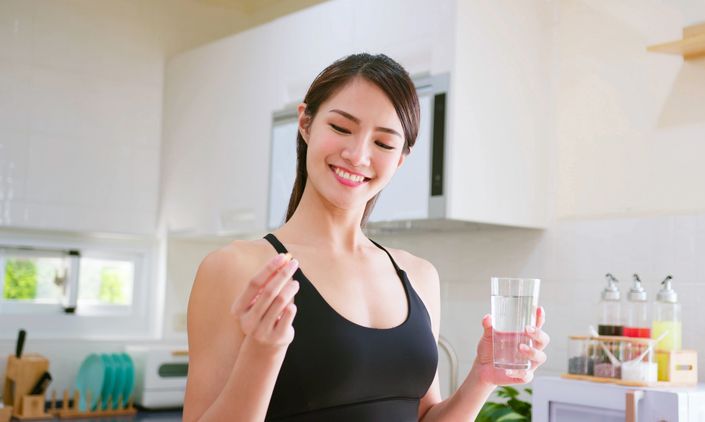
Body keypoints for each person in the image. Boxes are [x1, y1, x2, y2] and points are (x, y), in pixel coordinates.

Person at [183, 53, 549, 422]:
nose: (357, 155)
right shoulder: (237, 268)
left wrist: (483, 377)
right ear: (306, 123)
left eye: (384, 143)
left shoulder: (419, 276)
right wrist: (262, 353)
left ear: (401, 159)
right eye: (342, 128)